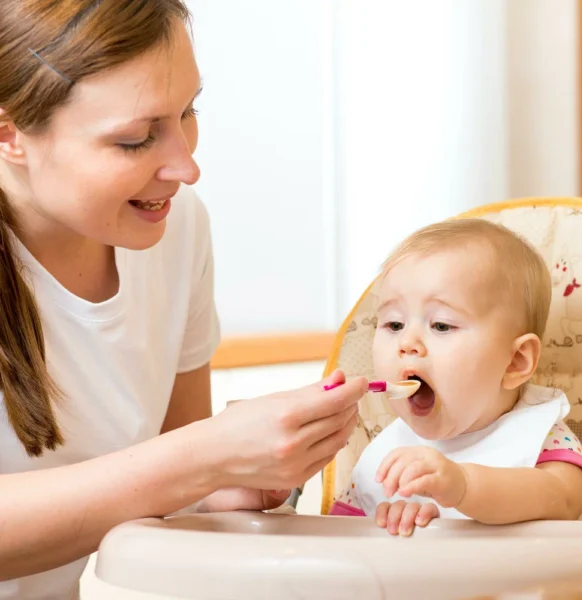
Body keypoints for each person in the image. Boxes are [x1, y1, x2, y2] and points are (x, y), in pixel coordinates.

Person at [0, 2, 368, 597]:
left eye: (188, 111)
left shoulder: (174, 227)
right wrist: (202, 458)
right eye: (136, 139)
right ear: (9, 132)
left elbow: (172, 487)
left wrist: (233, 480)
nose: (187, 167)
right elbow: (177, 461)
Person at [329, 219, 582, 535]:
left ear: (515, 361)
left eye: (442, 326)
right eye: (394, 325)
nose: (407, 344)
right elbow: (342, 547)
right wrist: (386, 525)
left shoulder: (540, 435)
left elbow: (563, 498)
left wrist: (464, 486)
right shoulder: (385, 450)